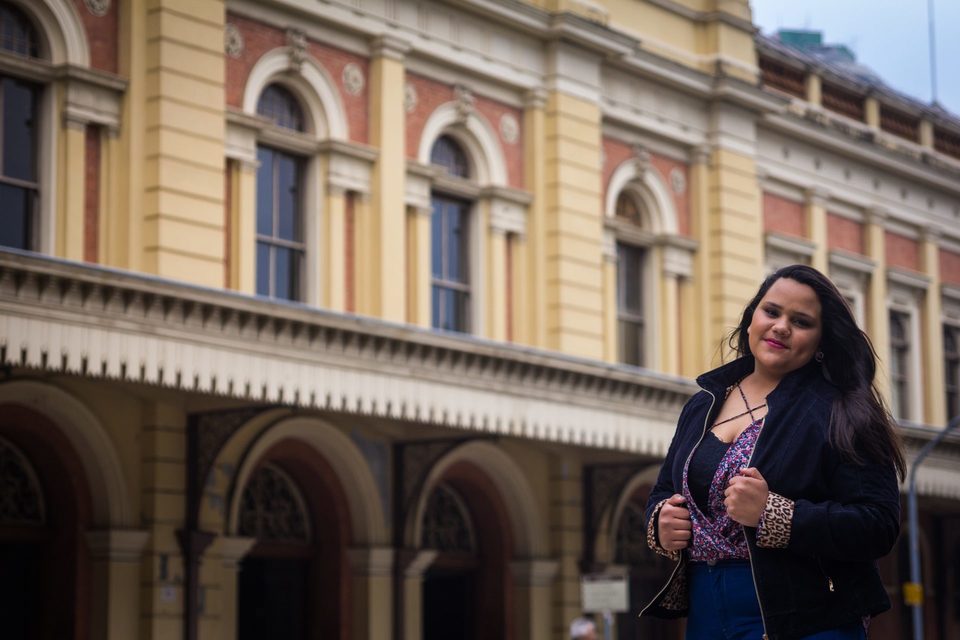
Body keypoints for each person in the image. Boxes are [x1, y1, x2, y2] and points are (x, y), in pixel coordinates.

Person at [640, 264, 905, 640]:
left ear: (820, 342)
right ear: (751, 320)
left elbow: (878, 525)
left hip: (809, 619)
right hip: (707, 613)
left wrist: (775, 515)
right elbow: (664, 490)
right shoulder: (703, 404)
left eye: (801, 321)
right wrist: (659, 524)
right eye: (772, 312)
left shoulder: (844, 411)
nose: (781, 326)